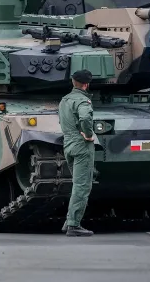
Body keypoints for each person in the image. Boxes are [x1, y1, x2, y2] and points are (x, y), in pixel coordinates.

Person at [59, 69, 96, 237]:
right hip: (82, 146)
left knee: (77, 184)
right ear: (86, 84)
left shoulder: (64, 100)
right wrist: (88, 135)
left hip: (68, 143)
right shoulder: (83, 101)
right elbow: (85, 119)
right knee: (82, 186)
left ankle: (69, 221)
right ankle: (74, 224)